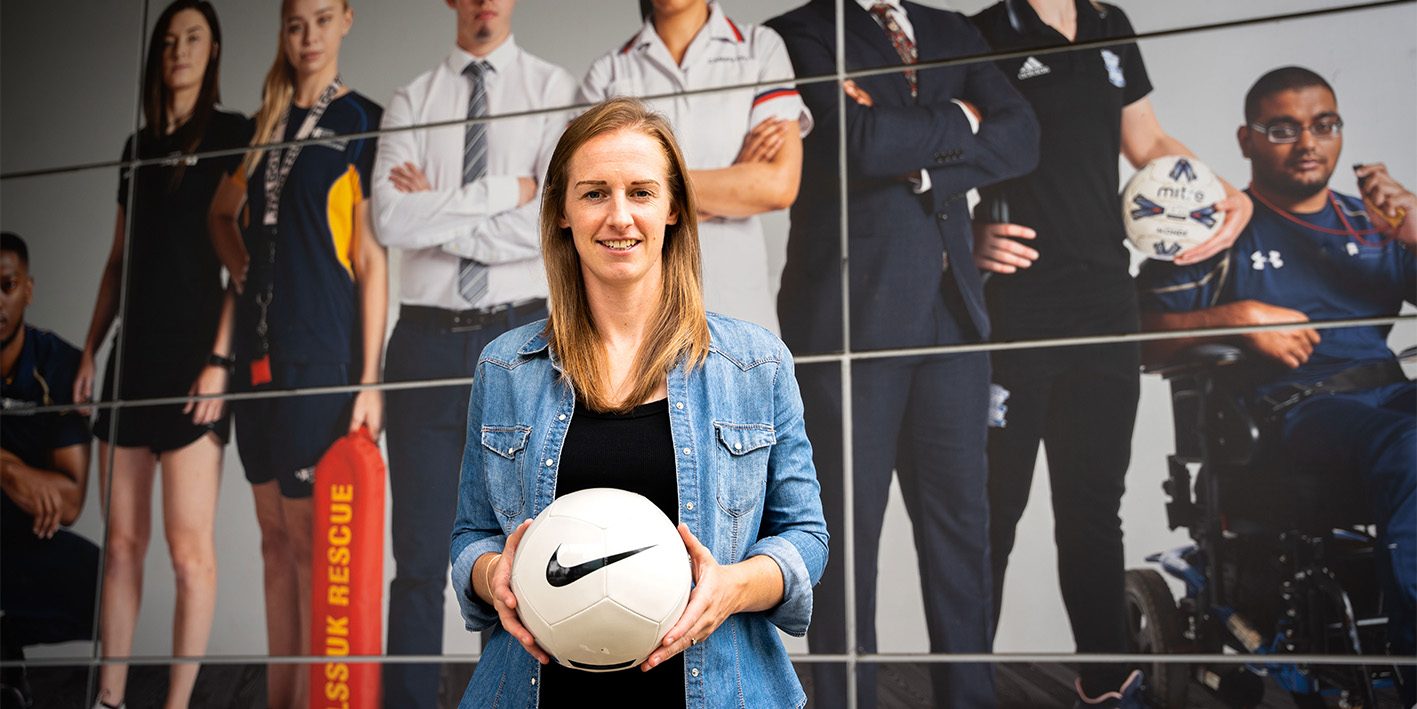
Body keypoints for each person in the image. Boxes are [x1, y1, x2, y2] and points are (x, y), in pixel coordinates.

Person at [449, 96, 828, 708]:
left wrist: (730, 587)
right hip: (536, 690)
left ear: (674, 208)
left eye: (642, 193)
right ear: (563, 213)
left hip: (720, 690)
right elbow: (472, 535)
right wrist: (495, 576)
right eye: (594, 193)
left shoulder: (756, 364)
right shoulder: (505, 368)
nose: (619, 216)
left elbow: (804, 536)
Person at [965, 2, 1251, 705]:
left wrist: (1222, 195)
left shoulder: (1106, 22)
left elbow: (1146, 140)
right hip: (1018, 308)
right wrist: (964, 238)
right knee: (992, 510)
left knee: (1092, 505)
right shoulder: (980, 32)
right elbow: (943, 146)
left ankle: (1105, 678)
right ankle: (960, 682)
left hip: (1104, 303)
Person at [764, 2, 1039, 706]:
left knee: (962, 538)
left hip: (953, 320)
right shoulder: (800, 32)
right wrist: (963, 121)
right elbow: (853, 142)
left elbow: (1023, 135)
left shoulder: (952, 30)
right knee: (845, 543)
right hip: (849, 320)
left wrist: (923, 167)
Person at [1136, 66, 1415, 708]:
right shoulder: (1218, 227)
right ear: (1246, 139)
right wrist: (1234, 318)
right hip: (1304, 410)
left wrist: (1412, 230)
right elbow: (1136, 339)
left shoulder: (1371, 220)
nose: (1308, 143)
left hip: (1388, 392)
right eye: (1283, 129)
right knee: (1411, 444)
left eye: (1324, 125)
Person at [370, 0, 574, 705]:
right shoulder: (410, 100)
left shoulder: (554, 93)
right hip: (422, 340)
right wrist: (497, 194)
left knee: (526, 550)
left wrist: (444, 211)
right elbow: (390, 218)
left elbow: (554, 218)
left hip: (520, 334)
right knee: (418, 557)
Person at [69, 2, 250, 706]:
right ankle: (109, 698)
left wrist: (221, 360)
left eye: (193, 38)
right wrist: (89, 350)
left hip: (196, 357)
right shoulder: (134, 146)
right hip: (131, 359)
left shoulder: (234, 134)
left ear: (213, 53)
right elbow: (118, 259)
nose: (178, 49)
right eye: (169, 39)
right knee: (120, 545)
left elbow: (244, 264)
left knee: (187, 550)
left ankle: (176, 704)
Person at [206, 1, 385, 706]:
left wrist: (370, 379)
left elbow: (370, 257)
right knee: (272, 541)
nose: (307, 37)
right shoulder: (261, 125)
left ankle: (320, 699)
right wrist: (245, 267)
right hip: (258, 357)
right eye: (294, 24)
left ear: (346, 19)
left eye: (320, 19)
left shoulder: (362, 119)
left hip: (322, 354)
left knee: (312, 545)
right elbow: (219, 217)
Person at [578, 0, 810, 332]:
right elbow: (591, 196)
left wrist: (641, 193)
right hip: (639, 312)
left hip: (738, 306)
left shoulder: (760, 47)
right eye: (644, 191)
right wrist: (735, 181)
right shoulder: (609, 72)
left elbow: (777, 186)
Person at [0, 232, 101, 709]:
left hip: (27, 535)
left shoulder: (57, 365)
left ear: (28, 290)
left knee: (103, 587)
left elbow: (69, 503)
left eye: (7, 285)